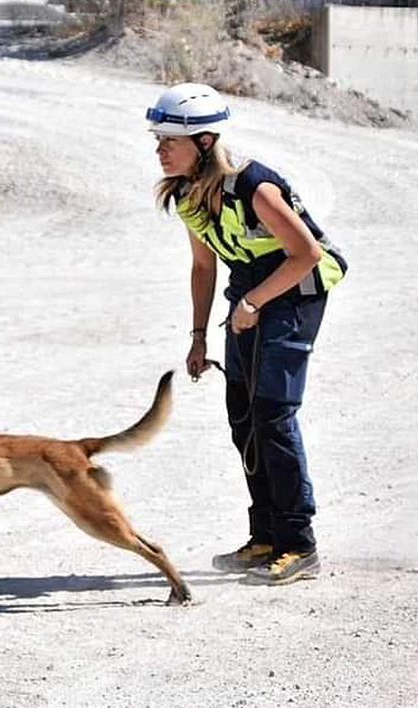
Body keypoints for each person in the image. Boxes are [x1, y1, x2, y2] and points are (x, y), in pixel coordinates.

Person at [147, 83, 347, 585]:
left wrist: (256, 303)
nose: (159, 147)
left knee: (273, 414)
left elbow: (308, 255)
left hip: (297, 290)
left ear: (206, 142)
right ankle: (266, 536)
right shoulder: (187, 192)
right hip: (250, 293)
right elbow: (202, 266)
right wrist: (199, 336)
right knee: (243, 416)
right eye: (158, 137)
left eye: (170, 138)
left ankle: (299, 544)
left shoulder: (255, 188)